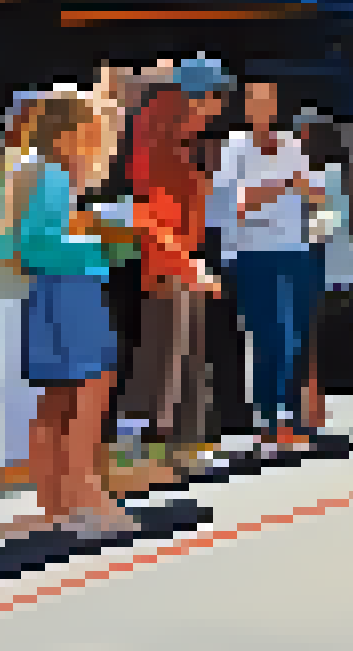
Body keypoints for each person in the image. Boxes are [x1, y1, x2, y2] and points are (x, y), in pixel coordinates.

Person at [0, 92, 134, 539]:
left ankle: (54, 506)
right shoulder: (49, 174)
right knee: (90, 391)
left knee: (55, 400)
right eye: (94, 134)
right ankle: (86, 498)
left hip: (44, 293)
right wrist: (103, 248)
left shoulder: (23, 167)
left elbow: (8, 244)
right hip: (70, 289)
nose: (101, 145)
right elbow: (37, 245)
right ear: (71, 134)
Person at [120, 61, 230, 477]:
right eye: (213, 98)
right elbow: (154, 216)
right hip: (169, 265)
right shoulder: (159, 142)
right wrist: (188, 266)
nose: (217, 110)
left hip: (180, 262)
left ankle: (184, 447)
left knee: (186, 355)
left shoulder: (173, 140)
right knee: (164, 354)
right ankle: (137, 446)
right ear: (194, 98)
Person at [213, 80, 325, 454]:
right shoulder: (235, 147)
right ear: (246, 109)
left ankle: (289, 419)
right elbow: (235, 203)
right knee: (267, 336)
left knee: (293, 337)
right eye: (257, 102)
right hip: (252, 252)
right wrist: (285, 184)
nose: (266, 110)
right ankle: (269, 420)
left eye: (271, 102)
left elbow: (315, 193)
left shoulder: (291, 144)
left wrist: (297, 186)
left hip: (295, 249)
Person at [296, 113, 353, 436]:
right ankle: (313, 411)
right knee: (311, 344)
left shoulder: (321, 178)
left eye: (302, 135)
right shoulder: (340, 175)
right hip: (338, 269)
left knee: (308, 344)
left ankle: (310, 412)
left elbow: (324, 226)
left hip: (319, 267)